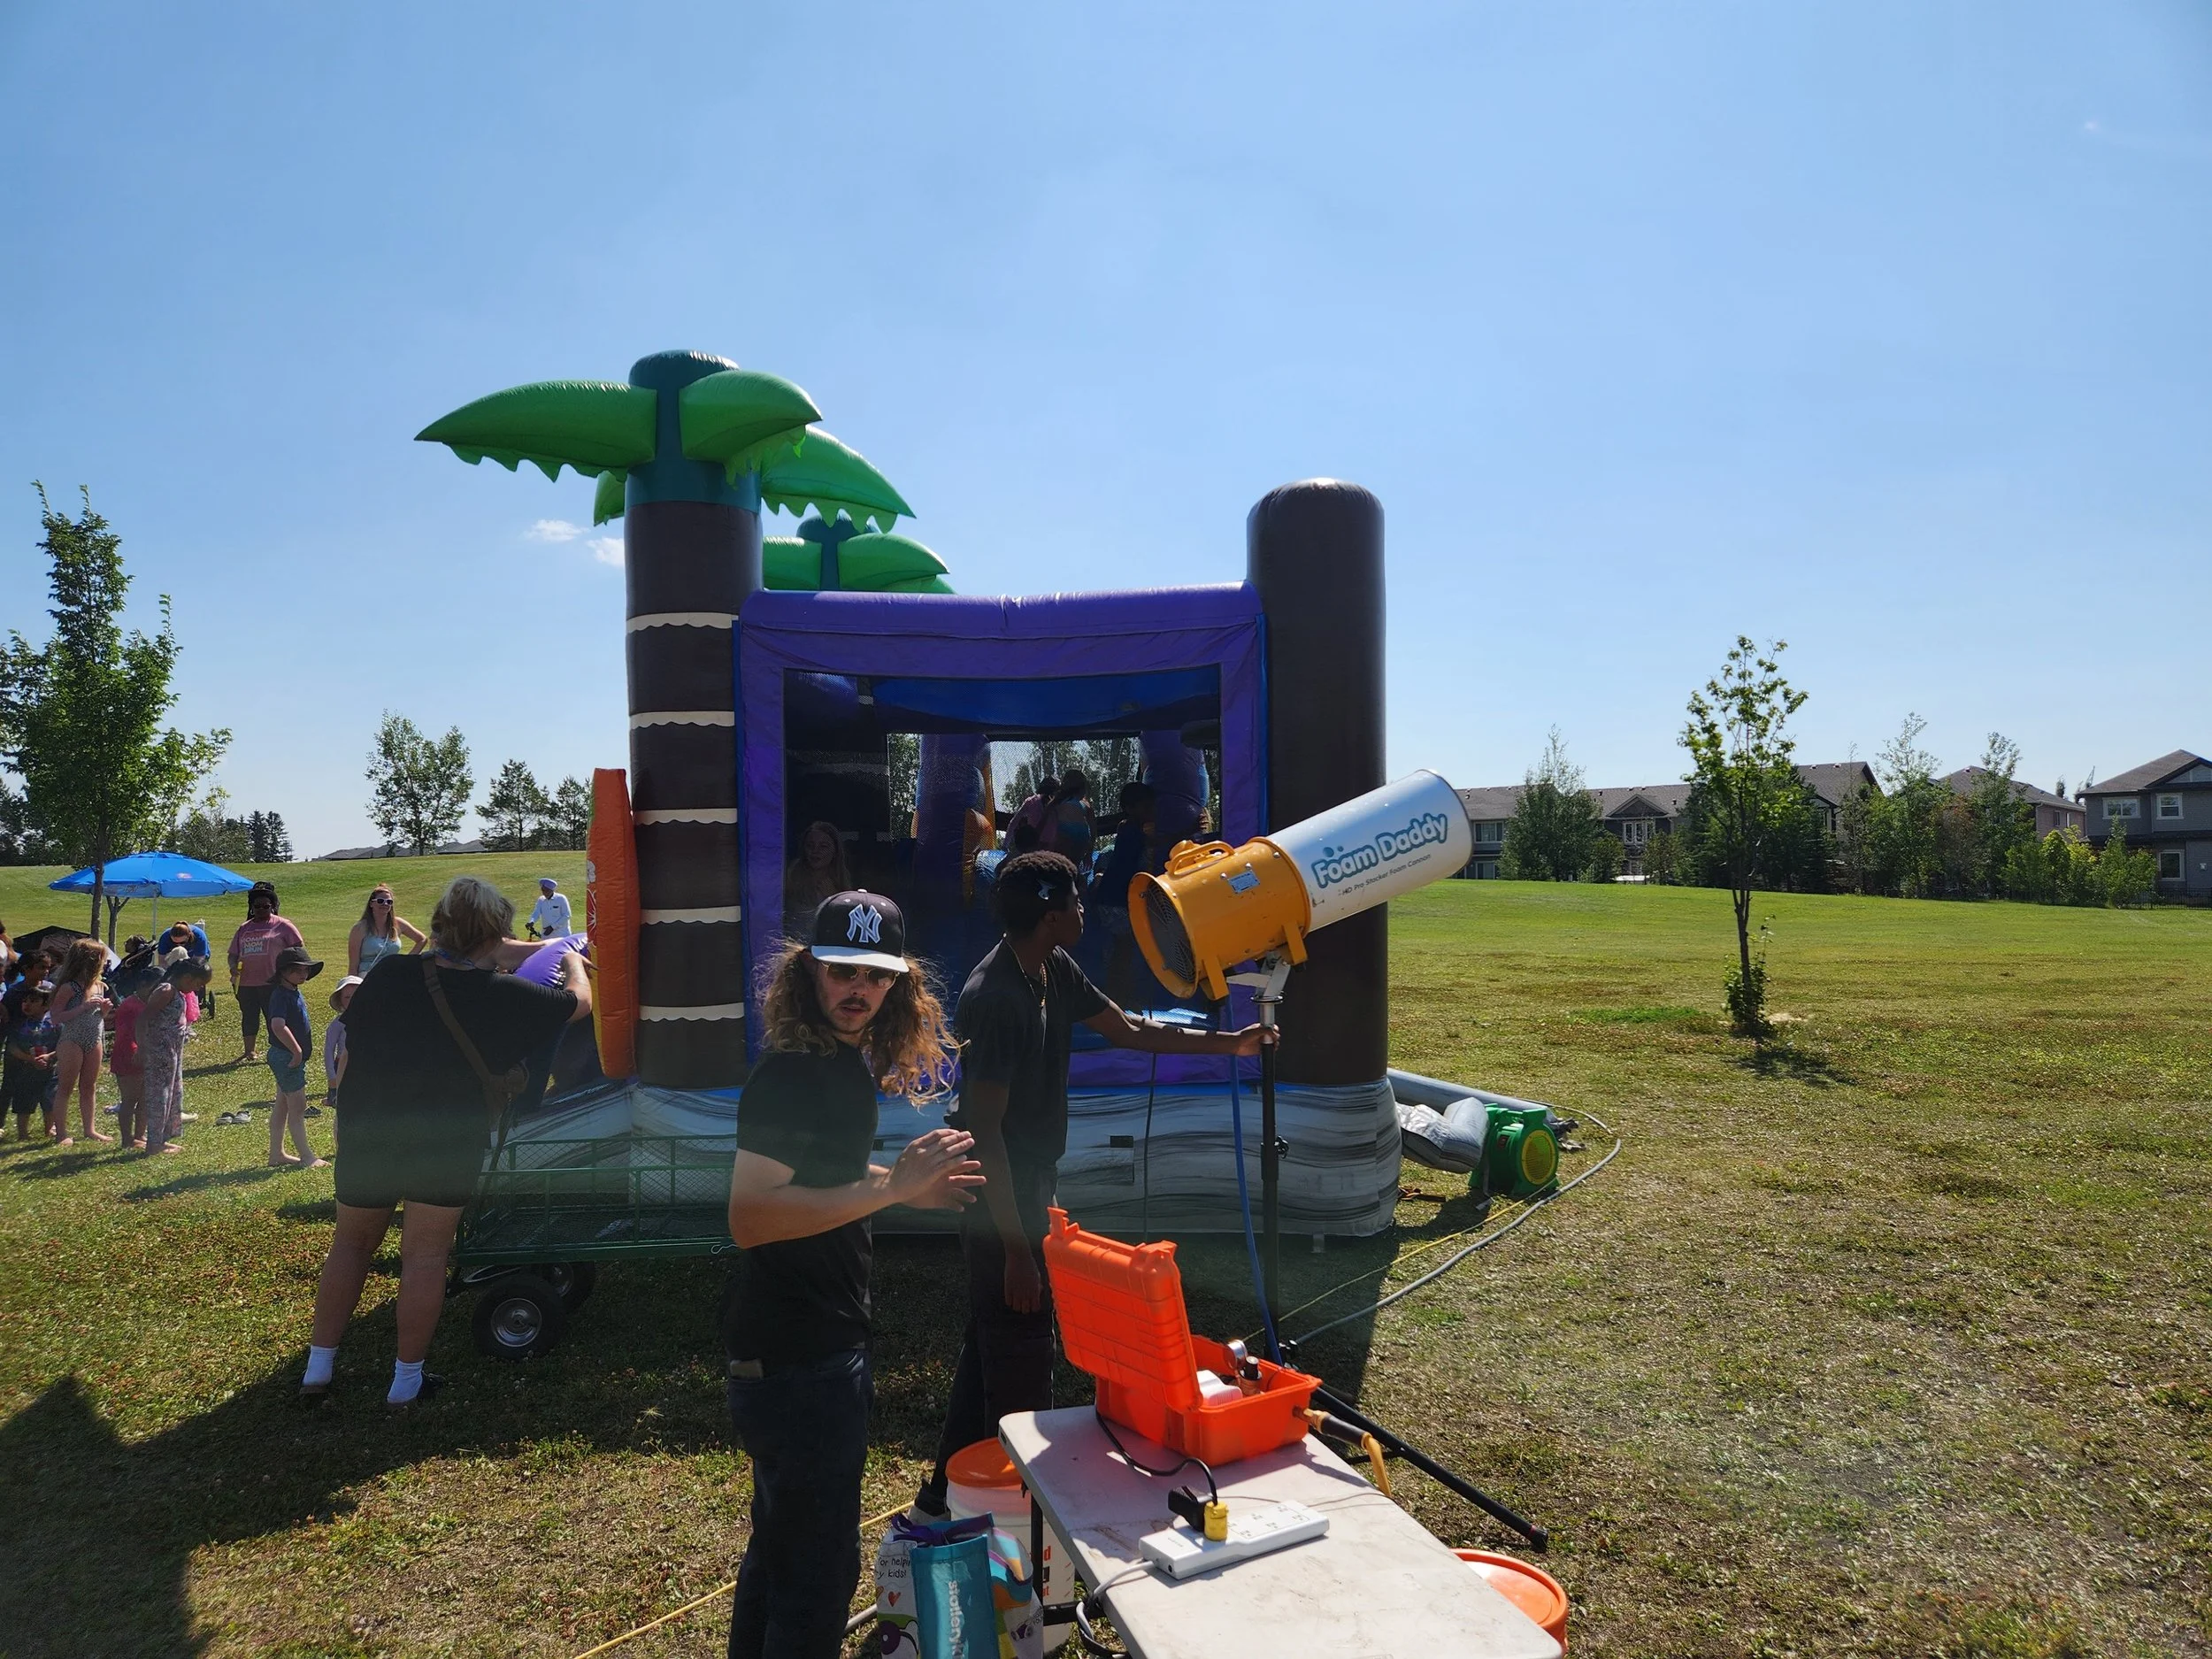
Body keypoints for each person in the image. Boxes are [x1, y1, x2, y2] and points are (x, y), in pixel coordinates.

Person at [913, 850, 1270, 1518]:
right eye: (1076, 903)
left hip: (1031, 1184)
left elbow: (1131, 1029)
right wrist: (1019, 1248)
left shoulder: (1051, 967)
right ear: (1049, 915)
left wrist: (1233, 1046)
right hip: (1002, 1196)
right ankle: (1012, 1530)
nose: (1085, 912)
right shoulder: (996, 998)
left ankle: (942, 1501)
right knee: (1020, 1368)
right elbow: (984, 1133)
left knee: (990, 1342)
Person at [723, 890, 979, 1659]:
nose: (856, 990)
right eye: (840, 970)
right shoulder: (797, 1076)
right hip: (800, 1360)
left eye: (875, 975)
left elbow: (819, 1174)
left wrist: (899, 1182)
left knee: (779, 1557)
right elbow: (751, 1215)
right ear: (808, 971)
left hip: (797, 1350)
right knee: (816, 1582)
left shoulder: (835, 1066)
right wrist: (892, 1187)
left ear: (899, 984)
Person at [301, 876, 591, 1407]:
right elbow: (577, 1004)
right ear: (495, 935)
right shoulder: (503, 996)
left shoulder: (389, 972)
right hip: (446, 1139)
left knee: (349, 1246)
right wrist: (571, 957)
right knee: (426, 1257)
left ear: (439, 925)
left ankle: (318, 1372)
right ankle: (405, 1382)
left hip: (371, 1131)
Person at [1089, 781, 1158, 1009]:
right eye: (1144, 807)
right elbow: (1156, 843)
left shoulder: (1129, 827)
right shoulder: (1131, 831)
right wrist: (1186, 832)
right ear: (1130, 808)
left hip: (1117, 899)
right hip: (1114, 899)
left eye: (1151, 807)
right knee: (1123, 948)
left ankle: (1118, 995)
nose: (1149, 812)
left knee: (1122, 949)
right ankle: (1117, 997)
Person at [136, 956, 210, 1156]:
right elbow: (143, 1019)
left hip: (172, 1050)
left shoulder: (176, 992)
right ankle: (154, 1144)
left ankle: (164, 1138)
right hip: (158, 1049)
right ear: (186, 977)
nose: (197, 989)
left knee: (173, 1093)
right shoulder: (166, 991)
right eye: (197, 983)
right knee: (159, 1095)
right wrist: (141, 1048)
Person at [264, 946, 326, 1170]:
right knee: (298, 1107)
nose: (303, 974)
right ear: (283, 972)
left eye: (306, 970)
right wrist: (296, 1051)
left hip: (286, 1057)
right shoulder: (280, 995)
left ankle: (276, 1153)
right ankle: (307, 1156)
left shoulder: (292, 991)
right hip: (286, 1057)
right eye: (297, 970)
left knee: (282, 1105)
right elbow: (278, 1025)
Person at [46, 938, 113, 1146]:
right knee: (66, 1086)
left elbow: (99, 1019)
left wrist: (104, 1012)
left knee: (89, 1086)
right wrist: (81, 1008)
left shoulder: (100, 986)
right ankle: (62, 1133)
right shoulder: (69, 987)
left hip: (94, 1039)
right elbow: (56, 1017)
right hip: (71, 1040)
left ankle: (89, 1129)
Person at [227, 881, 303, 1064]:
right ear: (252, 907)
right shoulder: (244, 928)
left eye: (266, 906)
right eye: (257, 906)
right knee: (249, 1016)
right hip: (246, 983)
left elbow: (298, 949)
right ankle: (249, 1051)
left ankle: (279, 1049)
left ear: (273, 907)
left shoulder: (283, 926)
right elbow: (233, 953)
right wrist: (232, 967)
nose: (261, 909)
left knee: (274, 1017)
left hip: (273, 982)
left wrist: (290, 970)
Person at [3, 981, 54, 1141]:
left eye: (33, 1001)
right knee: (23, 1102)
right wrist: (30, 1059)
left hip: (49, 1069)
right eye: (26, 1001)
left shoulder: (54, 1024)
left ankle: (49, 1129)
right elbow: (12, 1047)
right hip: (25, 1071)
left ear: (46, 1006)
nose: (27, 1004)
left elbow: (62, 1044)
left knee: (49, 1100)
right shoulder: (19, 1025)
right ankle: (23, 1134)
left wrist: (50, 1056)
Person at [781, 821, 851, 936]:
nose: (815, 851)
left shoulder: (842, 879)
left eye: (823, 846)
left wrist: (835, 899)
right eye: (810, 845)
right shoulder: (791, 875)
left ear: (835, 850)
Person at [349, 885, 426, 978]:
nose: (385, 904)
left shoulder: (398, 923)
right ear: (371, 904)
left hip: (393, 975)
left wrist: (406, 962)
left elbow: (422, 940)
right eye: (380, 901)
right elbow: (353, 965)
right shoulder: (359, 928)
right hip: (367, 977)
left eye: (389, 902)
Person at [110, 982, 147, 1148]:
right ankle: (127, 1139)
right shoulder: (131, 1006)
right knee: (130, 1099)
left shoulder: (148, 1003)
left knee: (146, 1099)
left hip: (146, 1055)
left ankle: (139, 1136)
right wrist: (136, 1052)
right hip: (128, 1056)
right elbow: (125, 1035)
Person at [1038, 768, 1095, 869]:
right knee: (1073, 867)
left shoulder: (1057, 802)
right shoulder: (1086, 805)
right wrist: (1089, 853)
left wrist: (1037, 841)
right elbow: (1093, 829)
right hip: (1082, 840)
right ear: (1083, 788)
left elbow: (1042, 823)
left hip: (1064, 838)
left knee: (1061, 866)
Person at [325, 973, 361, 1114]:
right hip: (343, 1067)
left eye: (357, 994)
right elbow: (329, 1050)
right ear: (340, 1002)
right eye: (347, 997)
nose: (353, 1000)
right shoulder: (338, 1024)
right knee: (344, 1108)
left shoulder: (372, 1021)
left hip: (363, 1066)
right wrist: (332, 1077)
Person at [1005, 777, 1056, 854]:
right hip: (1035, 846)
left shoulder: (1057, 805)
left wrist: (1005, 845)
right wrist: (1005, 845)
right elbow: (1014, 822)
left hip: (1046, 847)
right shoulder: (1032, 802)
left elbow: (1014, 822)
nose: (1048, 799)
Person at [527, 877, 572, 941]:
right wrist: (531, 921)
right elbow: (536, 913)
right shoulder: (541, 900)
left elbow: (567, 915)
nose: (544, 893)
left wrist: (552, 927)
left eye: (547, 891)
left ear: (552, 890)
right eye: (543, 890)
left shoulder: (561, 898)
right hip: (546, 935)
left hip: (561, 934)